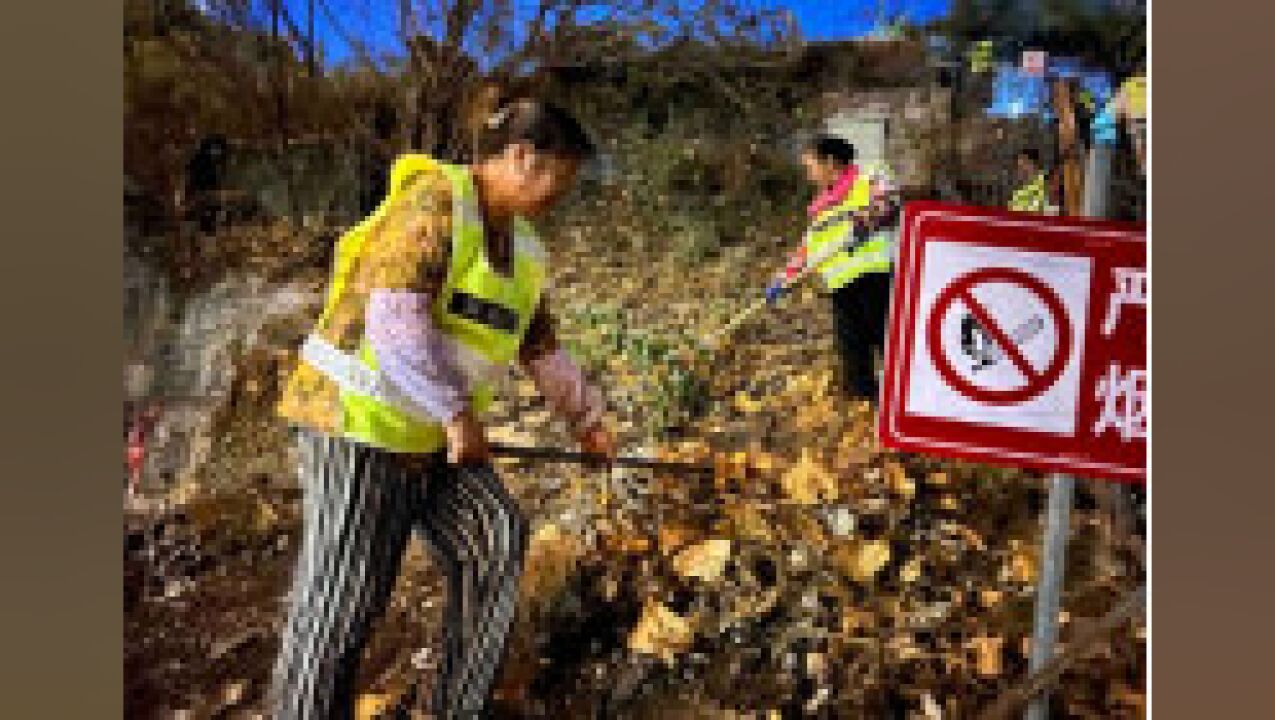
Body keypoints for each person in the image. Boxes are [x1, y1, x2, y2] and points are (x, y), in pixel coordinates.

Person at [271, 85, 616, 719]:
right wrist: (456, 414)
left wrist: (587, 421)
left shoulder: (525, 251)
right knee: (343, 602)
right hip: (356, 423)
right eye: (561, 176)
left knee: (493, 536)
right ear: (520, 157)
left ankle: (458, 708)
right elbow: (394, 323)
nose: (563, 193)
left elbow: (540, 348)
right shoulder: (432, 202)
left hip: (430, 433)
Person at [765, 135, 899, 401]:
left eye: (811, 166)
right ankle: (867, 403)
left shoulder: (869, 178)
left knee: (889, 343)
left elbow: (890, 204)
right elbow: (808, 249)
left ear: (830, 162)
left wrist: (864, 221)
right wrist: (784, 278)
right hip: (842, 288)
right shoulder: (820, 208)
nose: (809, 174)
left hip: (875, 281)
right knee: (852, 354)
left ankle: (904, 401)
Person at [1008, 148, 1053, 213]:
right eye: (1019, 165)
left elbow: (1037, 210)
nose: (1021, 169)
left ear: (1036, 165)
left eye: (1025, 164)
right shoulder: (1023, 187)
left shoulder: (1044, 184)